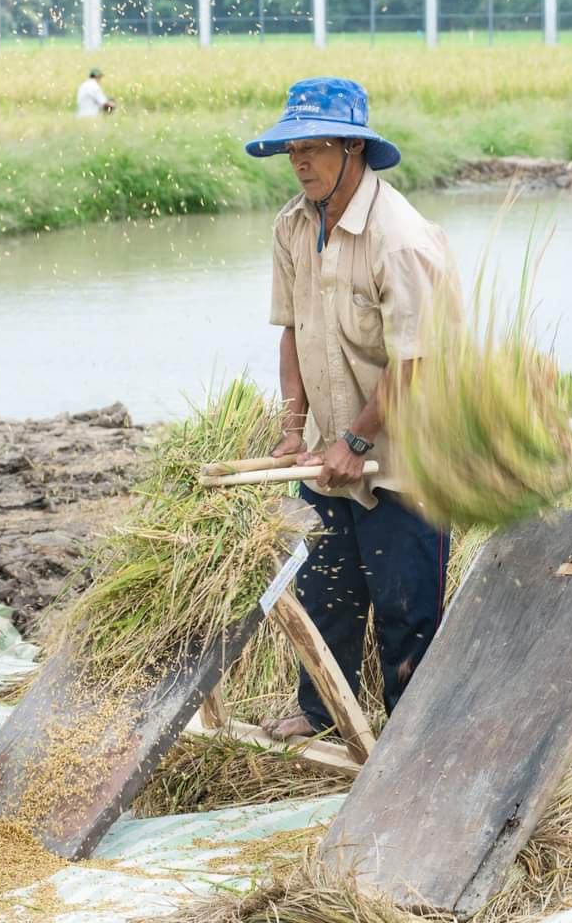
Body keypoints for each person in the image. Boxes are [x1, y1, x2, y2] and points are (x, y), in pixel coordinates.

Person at [245, 76, 460, 741]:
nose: (301, 162)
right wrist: (292, 428)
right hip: (328, 453)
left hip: (404, 458)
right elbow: (293, 329)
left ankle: (412, 737)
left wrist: (359, 443)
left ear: (353, 149)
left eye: (313, 148)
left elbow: (416, 362)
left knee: (405, 608)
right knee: (325, 594)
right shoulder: (292, 226)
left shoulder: (400, 240)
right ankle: (324, 717)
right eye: (292, 151)